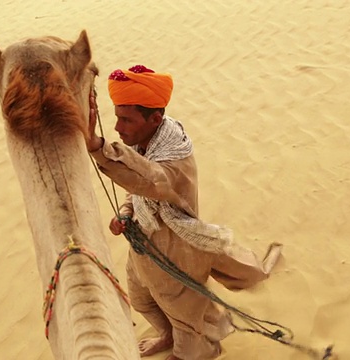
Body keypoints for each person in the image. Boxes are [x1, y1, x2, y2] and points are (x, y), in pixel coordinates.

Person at [86, 65, 282, 360]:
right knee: (142, 300)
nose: (117, 127)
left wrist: (97, 146)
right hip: (143, 243)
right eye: (116, 117)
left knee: (186, 320)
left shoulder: (172, 161)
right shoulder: (145, 142)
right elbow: (137, 188)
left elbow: (146, 180)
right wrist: (126, 211)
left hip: (175, 253)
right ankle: (167, 336)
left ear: (155, 118)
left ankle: (192, 352)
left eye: (125, 119)